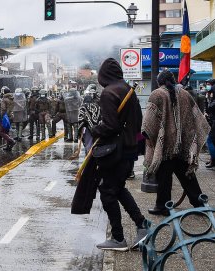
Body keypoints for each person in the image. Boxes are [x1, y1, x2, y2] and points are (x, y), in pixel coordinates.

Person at [91, 58, 148, 251]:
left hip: (116, 151)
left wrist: (95, 130)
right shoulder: (128, 90)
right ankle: (142, 225)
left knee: (107, 192)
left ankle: (118, 238)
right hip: (129, 149)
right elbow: (137, 121)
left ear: (103, 75)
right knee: (118, 188)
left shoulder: (109, 93)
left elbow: (110, 126)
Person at [143, 70, 210, 216]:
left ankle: (162, 206)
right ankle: (199, 204)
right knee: (187, 174)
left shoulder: (157, 94)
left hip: (165, 144)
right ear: (173, 80)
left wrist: (148, 137)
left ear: (159, 81)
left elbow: (148, 122)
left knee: (164, 176)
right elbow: (197, 117)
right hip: (183, 144)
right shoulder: (185, 94)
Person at [77, 88, 101, 155]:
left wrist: (80, 129)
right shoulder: (97, 106)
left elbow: (80, 119)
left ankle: (88, 158)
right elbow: (100, 117)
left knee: (88, 144)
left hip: (87, 129)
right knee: (95, 143)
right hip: (97, 129)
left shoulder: (83, 107)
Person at [204, 79, 215, 168]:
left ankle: (213, 159)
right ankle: (212, 160)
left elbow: (211, 107)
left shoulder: (212, 94)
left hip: (214, 121)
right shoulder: (209, 94)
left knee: (209, 140)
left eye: (209, 84)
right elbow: (206, 106)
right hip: (211, 120)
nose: (207, 86)